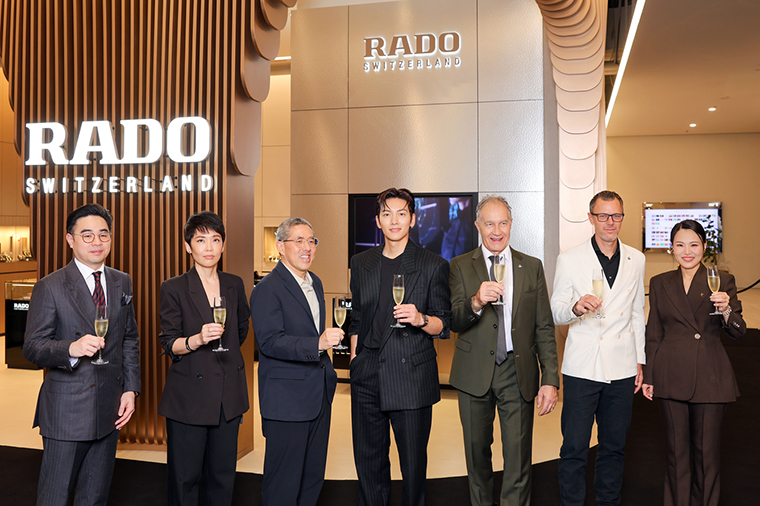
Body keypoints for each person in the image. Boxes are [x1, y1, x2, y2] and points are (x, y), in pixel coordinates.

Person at [23, 203, 140, 506]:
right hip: (66, 413)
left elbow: (129, 338)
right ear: (70, 240)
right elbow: (32, 346)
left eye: (103, 234)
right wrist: (70, 349)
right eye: (87, 235)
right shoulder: (50, 286)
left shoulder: (121, 280)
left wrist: (130, 389)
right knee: (55, 497)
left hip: (109, 409)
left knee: (95, 497)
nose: (96, 242)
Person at [448, 195, 559, 506]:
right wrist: (475, 301)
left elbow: (544, 326)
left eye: (503, 223)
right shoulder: (459, 266)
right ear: (477, 226)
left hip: (517, 370)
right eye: (489, 224)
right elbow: (454, 321)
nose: (496, 231)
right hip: (473, 373)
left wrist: (550, 379)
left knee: (518, 457)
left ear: (511, 224)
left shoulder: (531, 266)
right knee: (476, 456)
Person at [348, 187, 452, 506]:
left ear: (413, 219)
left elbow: (443, 325)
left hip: (411, 378)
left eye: (401, 214)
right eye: (387, 214)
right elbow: (358, 317)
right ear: (378, 221)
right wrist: (354, 359)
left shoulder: (432, 265)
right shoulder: (361, 262)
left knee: (413, 468)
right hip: (367, 375)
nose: (394, 221)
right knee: (369, 464)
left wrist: (420, 319)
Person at [550, 190, 646, 506]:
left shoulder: (636, 259)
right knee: (574, 447)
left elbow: (636, 314)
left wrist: (640, 360)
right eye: (602, 215)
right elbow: (556, 310)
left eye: (616, 215)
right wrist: (576, 308)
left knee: (614, 447)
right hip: (581, 368)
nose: (610, 222)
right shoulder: (569, 259)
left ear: (622, 218)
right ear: (591, 218)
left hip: (622, 367)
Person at [642, 220, 746, 506]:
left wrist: (726, 310)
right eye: (680, 245)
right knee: (676, 455)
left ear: (704, 246)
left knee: (706, 456)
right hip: (670, 373)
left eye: (693, 245)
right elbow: (654, 333)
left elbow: (739, 331)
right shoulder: (660, 283)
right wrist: (650, 375)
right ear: (671, 248)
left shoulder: (722, 280)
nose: (687, 252)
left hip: (710, 376)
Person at [157, 211, 250, 506]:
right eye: (200, 240)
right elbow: (169, 343)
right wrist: (197, 339)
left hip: (228, 396)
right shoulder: (174, 287)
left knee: (222, 478)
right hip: (189, 398)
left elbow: (241, 330)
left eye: (215, 240)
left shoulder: (234, 284)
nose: (209, 247)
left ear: (223, 245)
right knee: (184, 480)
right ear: (188, 246)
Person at [250, 217, 343, 506]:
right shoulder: (267, 288)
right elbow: (269, 342)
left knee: (312, 479)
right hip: (286, 402)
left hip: (318, 397)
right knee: (283, 485)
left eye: (311, 241)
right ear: (281, 246)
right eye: (298, 241)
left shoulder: (316, 283)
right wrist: (317, 344)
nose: (307, 248)